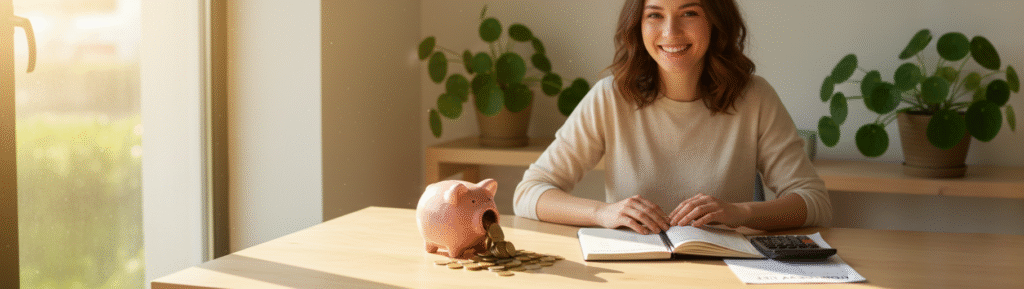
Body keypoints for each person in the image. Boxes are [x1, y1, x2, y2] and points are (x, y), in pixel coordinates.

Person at [513, 0, 831, 235]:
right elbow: (529, 194)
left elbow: (814, 202)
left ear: (715, 21)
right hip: (633, 272)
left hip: (724, 270)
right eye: (655, 14)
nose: (670, 32)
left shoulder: (755, 97)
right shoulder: (610, 96)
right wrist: (603, 213)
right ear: (638, 24)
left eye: (689, 13)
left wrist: (740, 212)